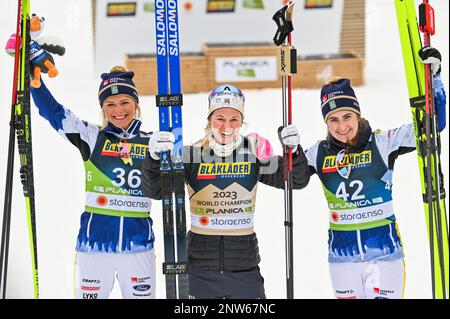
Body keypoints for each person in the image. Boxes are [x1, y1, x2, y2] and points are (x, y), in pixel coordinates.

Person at [302, 47, 446, 299]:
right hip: (342, 258)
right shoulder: (318, 153)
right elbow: (287, 175)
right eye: (333, 120)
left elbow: (433, 126)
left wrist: (433, 81)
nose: (342, 126)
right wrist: (287, 148)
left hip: (384, 254)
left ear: (358, 115)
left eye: (347, 116)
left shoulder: (383, 142)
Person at [141, 84, 310, 299]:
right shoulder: (192, 155)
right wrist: (154, 158)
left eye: (234, 120)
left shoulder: (253, 154)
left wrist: (293, 152)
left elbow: (296, 180)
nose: (226, 126)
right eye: (220, 118)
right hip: (200, 270)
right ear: (210, 120)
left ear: (241, 122)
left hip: (244, 270)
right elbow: (156, 190)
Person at [30, 66, 156, 299]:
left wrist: (165, 155)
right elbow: (55, 113)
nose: (118, 110)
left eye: (124, 102)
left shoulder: (151, 142)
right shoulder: (92, 137)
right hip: (95, 247)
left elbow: (167, 186)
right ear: (103, 108)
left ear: (136, 104)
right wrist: (35, 84)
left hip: (138, 248)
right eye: (110, 104)